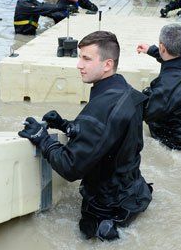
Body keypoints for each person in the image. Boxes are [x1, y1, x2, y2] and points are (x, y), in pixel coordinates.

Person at [18, 31, 152, 241]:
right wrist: (67, 126)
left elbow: (70, 167)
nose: (79, 65)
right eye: (79, 57)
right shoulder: (128, 93)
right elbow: (110, 137)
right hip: (134, 194)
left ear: (107, 64)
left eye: (86, 59)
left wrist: (42, 138)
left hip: (105, 211)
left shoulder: (100, 108)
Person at [137, 24, 181, 150]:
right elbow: (173, 60)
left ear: (162, 47)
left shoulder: (165, 88)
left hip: (174, 143)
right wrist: (151, 50)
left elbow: (144, 112)